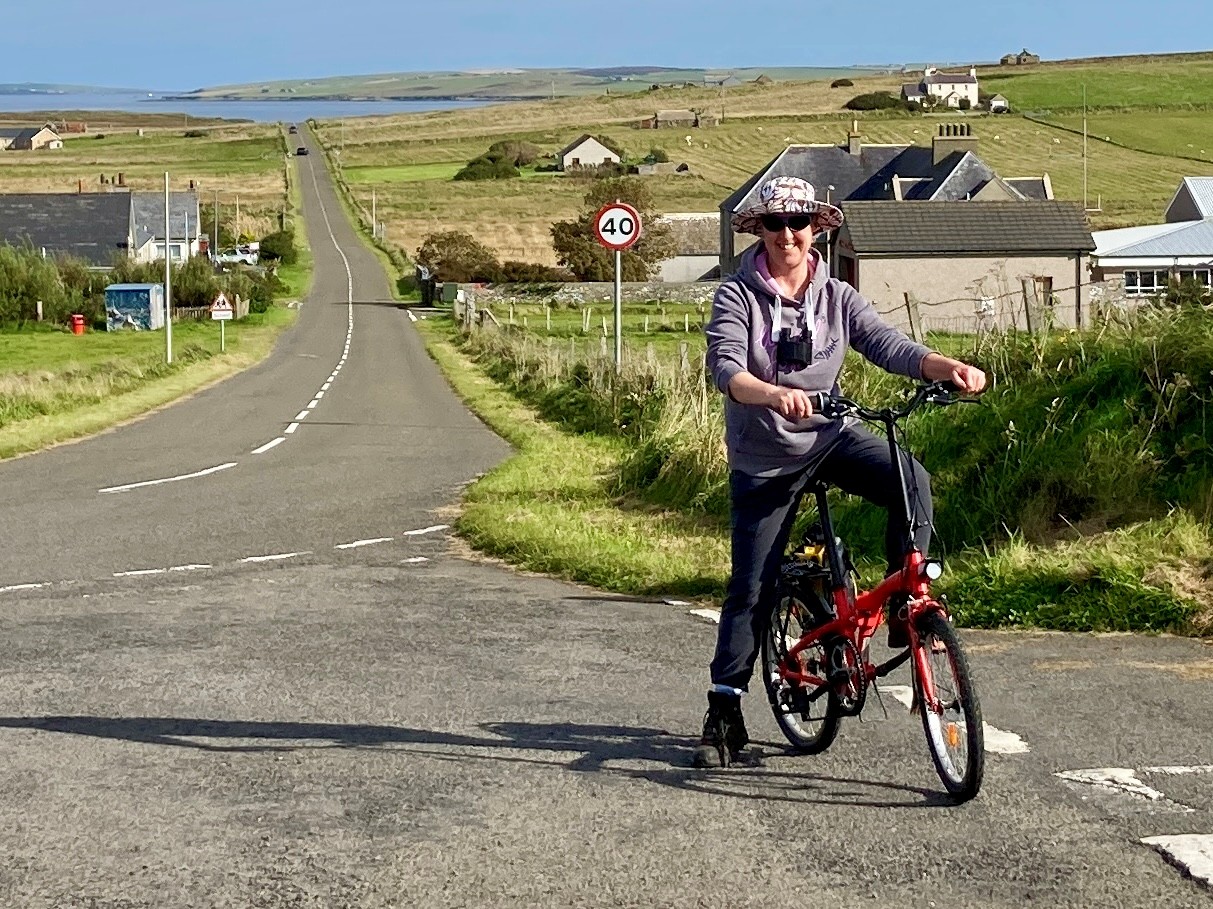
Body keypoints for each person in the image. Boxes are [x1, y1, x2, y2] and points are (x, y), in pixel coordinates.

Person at [696, 175, 987, 768]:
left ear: (816, 230)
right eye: (775, 224)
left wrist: (944, 366)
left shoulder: (837, 296)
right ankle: (723, 708)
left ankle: (908, 604)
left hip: (828, 437)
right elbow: (725, 367)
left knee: (911, 480)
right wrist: (771, 394)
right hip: (766, 456)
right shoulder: (738, 295)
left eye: (798, 223)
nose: (787, 235)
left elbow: (888, 345)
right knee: (750, 587)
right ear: (760, 231)